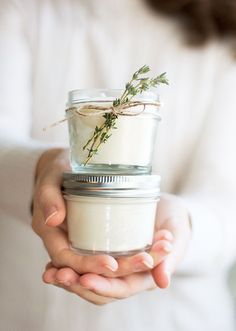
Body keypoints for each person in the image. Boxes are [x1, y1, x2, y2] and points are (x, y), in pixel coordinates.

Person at [0, 0, 236, 330]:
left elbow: (227, 199)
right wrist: (41, 168)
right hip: (24, 311)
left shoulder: (225, 33)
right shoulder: (21, 9)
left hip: (179, 318)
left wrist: (182, 229)